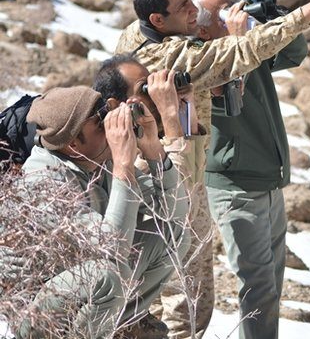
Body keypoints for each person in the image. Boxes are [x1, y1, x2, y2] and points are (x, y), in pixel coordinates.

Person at [16, 86, 189, 338]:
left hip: (89, 290)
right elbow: (112, 249)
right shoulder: (43, 179)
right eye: (99, 122)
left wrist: (154, 151)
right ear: (73, 143)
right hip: (37, 315)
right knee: (110, 275)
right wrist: (122, 167)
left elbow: (175, 212)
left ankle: (117, 325)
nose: (109, 125)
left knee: (173, 236)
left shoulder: (97, 161)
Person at [192, 0, 307, 339]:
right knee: (256, 284)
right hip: (236, 185)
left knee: (271, 282)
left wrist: (274, 14)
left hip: (268, 180)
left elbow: (294, 52)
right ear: (200, 27)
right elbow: (227, 104)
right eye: (221, 12)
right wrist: (237, 42)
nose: (232, 14)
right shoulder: (200, 61)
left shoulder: (246, 49)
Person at [115, 0, 310, 132]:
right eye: (184, 6)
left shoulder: (138, 29)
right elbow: (242, 51)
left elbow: (292, 54)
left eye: (191, 0)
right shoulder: (168, 57)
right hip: (171, 175)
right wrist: (309, 12)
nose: (194, 11)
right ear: (157, 19)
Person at [93, 54, 214, 338]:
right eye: (143, 89)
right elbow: (179, 200)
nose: (155, 93)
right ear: (115, 106)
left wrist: (186, 108)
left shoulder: (145, 136)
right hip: (136, 293)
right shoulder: (119, 152)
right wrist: (171, 117)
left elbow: (194, 173)